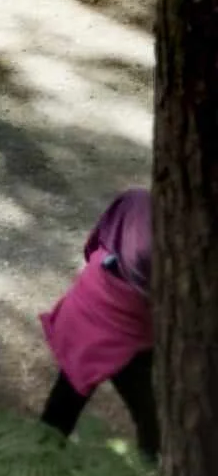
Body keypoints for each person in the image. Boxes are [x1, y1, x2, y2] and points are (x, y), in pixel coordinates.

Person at [40, 186, 157, 457]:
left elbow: (96, 240)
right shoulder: (175, 248)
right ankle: (155, 464)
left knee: (65, 399)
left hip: (85, 307)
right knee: (151, 413)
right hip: (124, 335)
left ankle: (36, 465)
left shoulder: (137, 200)